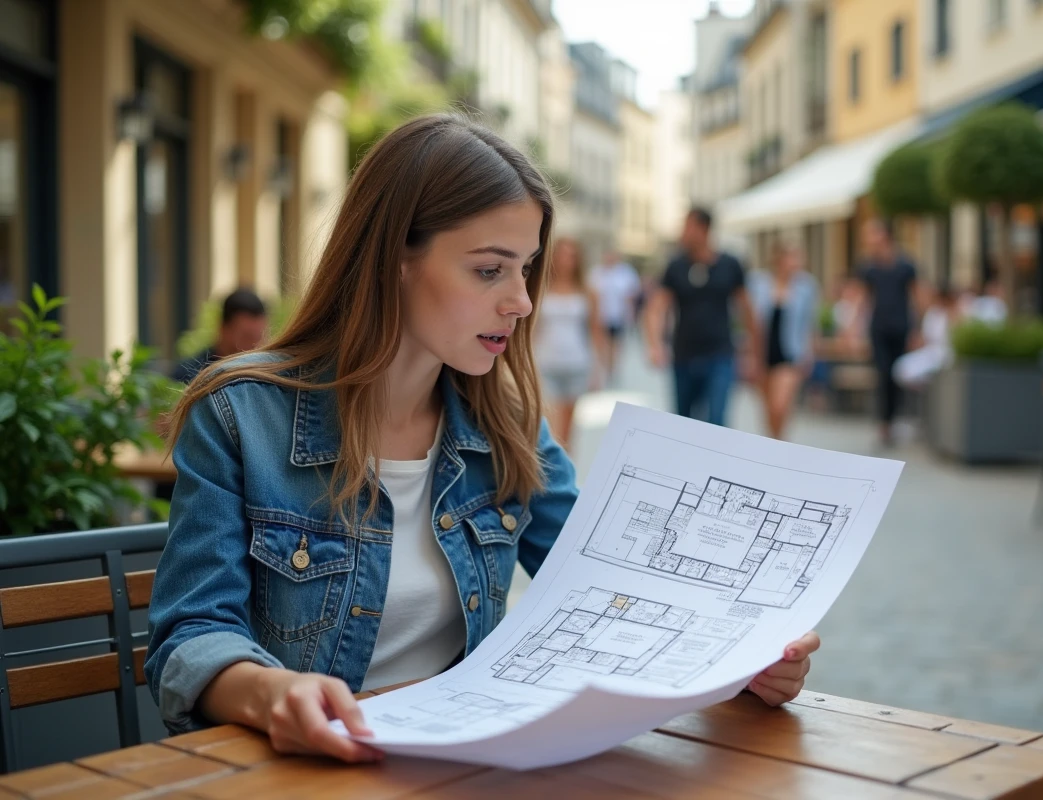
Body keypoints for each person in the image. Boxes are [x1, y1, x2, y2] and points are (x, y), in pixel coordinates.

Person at [143, 115, 819, 763]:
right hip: (300, 777)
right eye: (490, 269)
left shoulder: (507, 425)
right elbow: (190, 636)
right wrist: (273, 693)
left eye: (525, 269)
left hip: (469, 769)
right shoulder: (240, 414)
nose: (521, 301)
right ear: (394, 259)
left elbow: (613, 583)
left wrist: (746, 653)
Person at [644, 207, 762, 427]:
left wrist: (753, 355)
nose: (683, 233)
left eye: (688, 227)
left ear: (703, 229)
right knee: (684, 424)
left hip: (720, 356)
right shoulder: (676, 266)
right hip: (684, 356)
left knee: (717, 422)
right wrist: (655, 344)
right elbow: (656, 308)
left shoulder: (730, 265)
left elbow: (748, 310)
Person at [535, 237, 605, 451]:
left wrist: (598, 368)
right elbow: (532, 330)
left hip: (577, 362)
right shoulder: (541, 287)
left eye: (571, 255)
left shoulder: (587, 290)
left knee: (568, 429)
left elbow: (595, 330)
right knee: (547, 425)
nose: (566, 260)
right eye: (562, 254)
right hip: (546, 363)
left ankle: (565, 475)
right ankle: (548, 472)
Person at [855, 219, 917, 448]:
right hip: (879, 329)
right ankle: (884, 424)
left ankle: (894, 419)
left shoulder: (905, 265)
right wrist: (853, 329)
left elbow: (915, 297)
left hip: (901, 327)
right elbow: (863, 299)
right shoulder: (868, 267)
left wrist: (918, 329)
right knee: (883, 374)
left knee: (897, 375)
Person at [748, 246, 819, 439]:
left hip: (791, 353)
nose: (796, 264)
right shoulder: (758, 283)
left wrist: (809, 353)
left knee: (780, 406)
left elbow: (810, 323)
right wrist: (748, 355)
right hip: (762, 354)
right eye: (792, 258)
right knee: (768, 409)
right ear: (780, 260)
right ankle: (774, 446)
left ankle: (780, 445)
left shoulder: (806, 287)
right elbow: (749, 321)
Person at [172, 288, 269, 384]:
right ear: (223, 329)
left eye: (260, 337)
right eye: (246, 336)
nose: (255, 345)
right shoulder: (189, 374)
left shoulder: (268, 375)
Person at [587, 249, 640, 383]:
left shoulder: (625, 273)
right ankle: (604, 367)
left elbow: (632, 294)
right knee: (602, 344)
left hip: (618, 316)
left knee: (616, 344)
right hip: (601, 316)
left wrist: (630, 314)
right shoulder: (597, 273)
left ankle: (613, 369)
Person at [893, 282, 956, 390]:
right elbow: (925, 338)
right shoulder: (932, 313)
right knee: (901, 367)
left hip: (944, 353)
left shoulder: (951, 314)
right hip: (930, 351)